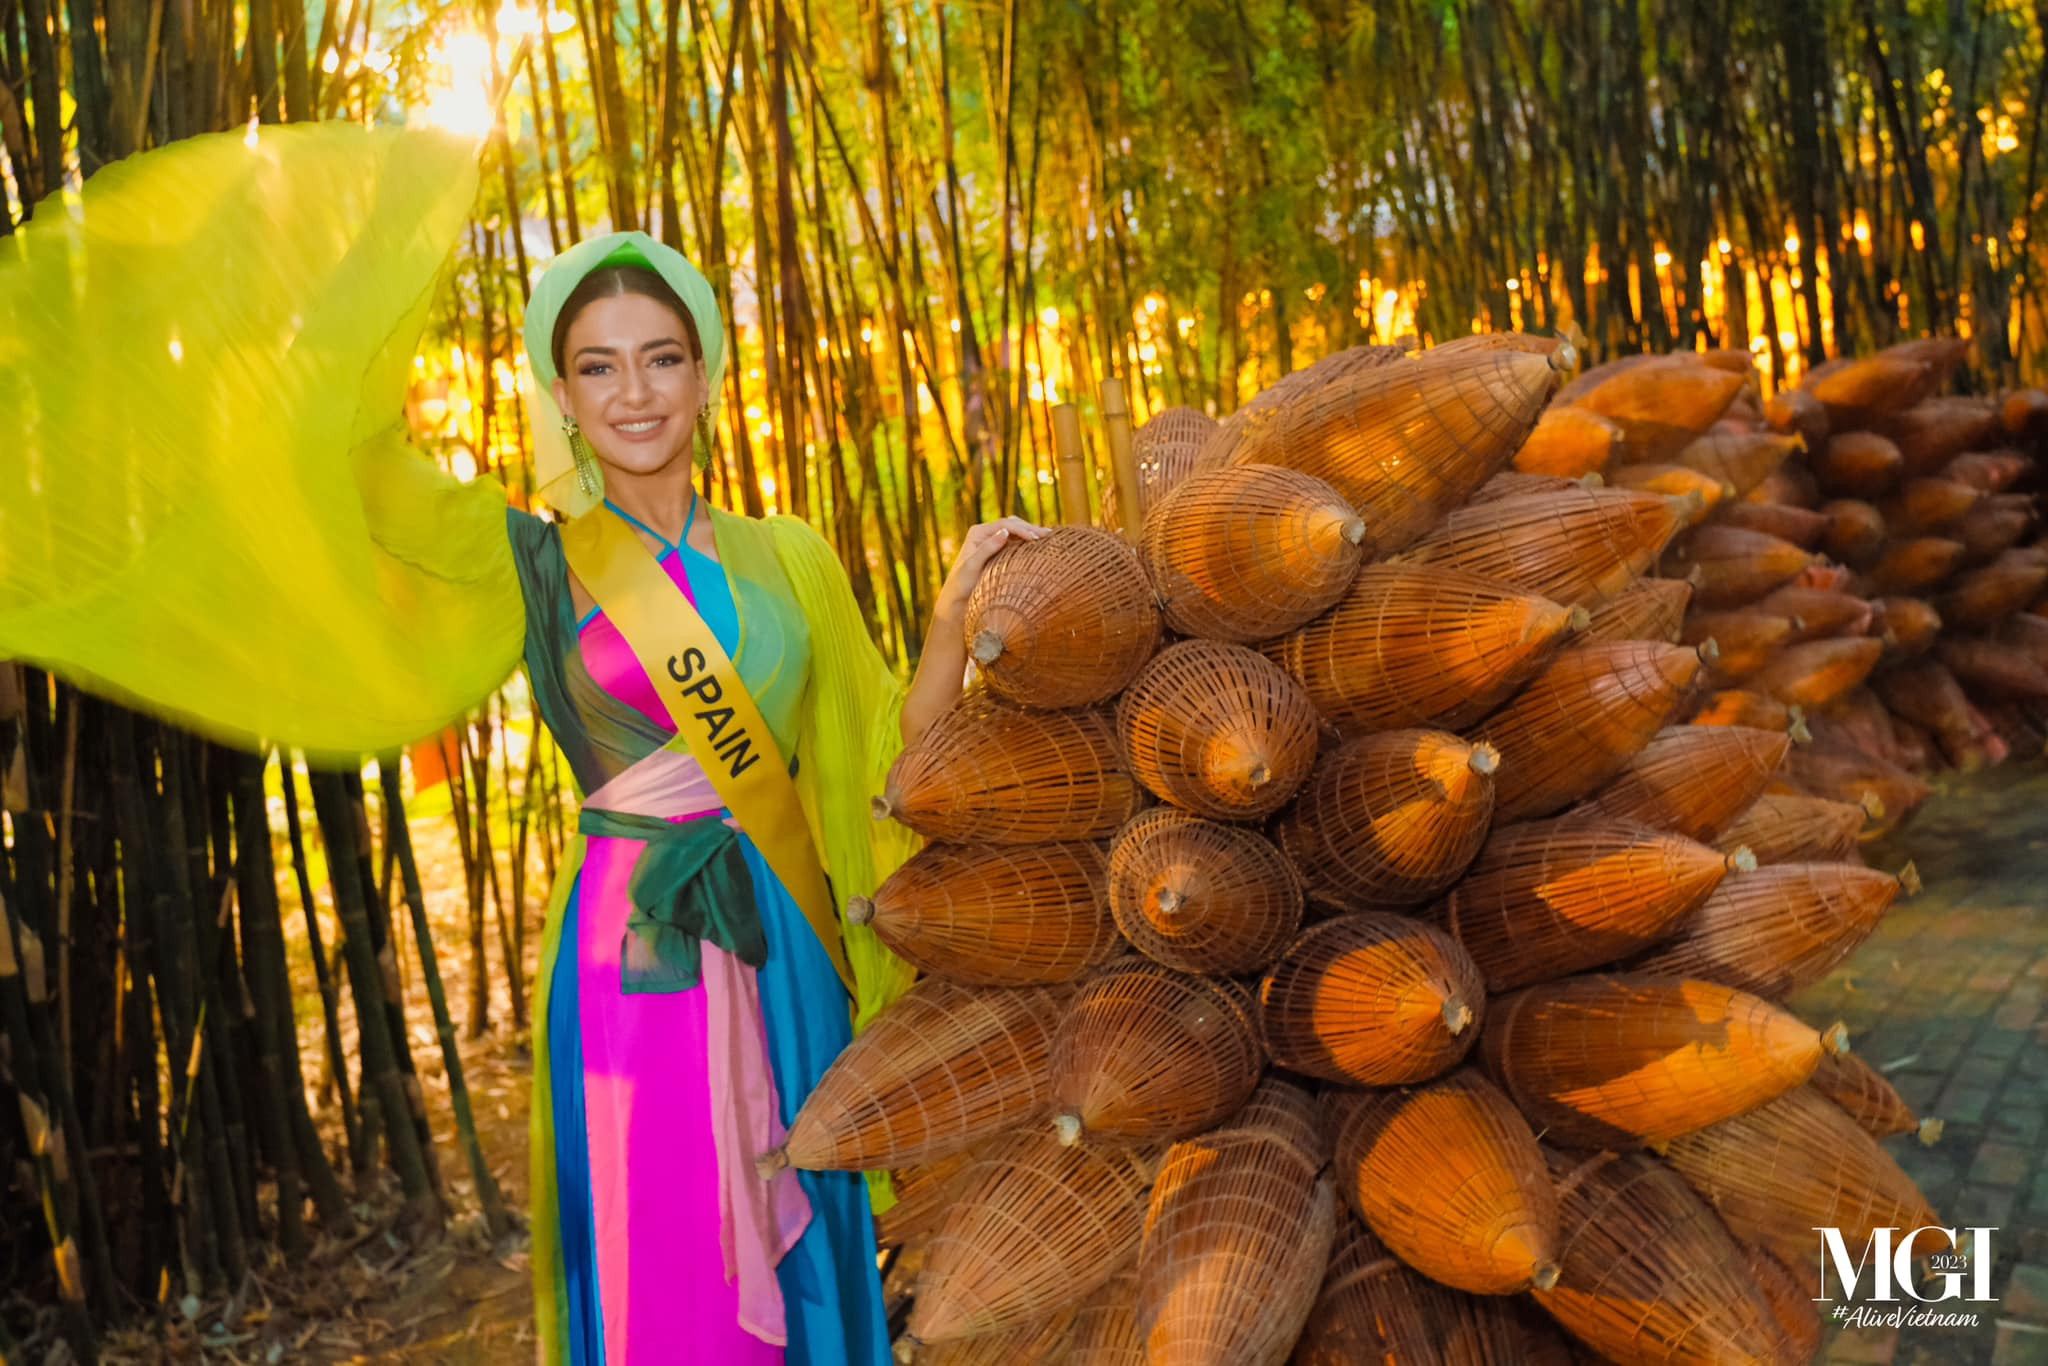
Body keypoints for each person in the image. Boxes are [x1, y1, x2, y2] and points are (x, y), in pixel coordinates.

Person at [0, 122, 1045, 1364]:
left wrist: (944, 624)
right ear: (561, 396)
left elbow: (888, 767)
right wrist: (354, 264)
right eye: (597, 368)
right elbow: (347, 474)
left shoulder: (791, 557)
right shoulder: (530, 557)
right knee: (662, 1258)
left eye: (661, 358)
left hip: (785, 947)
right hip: (634, 954)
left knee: (802, 1238)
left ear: (705, 371)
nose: (636, 391)